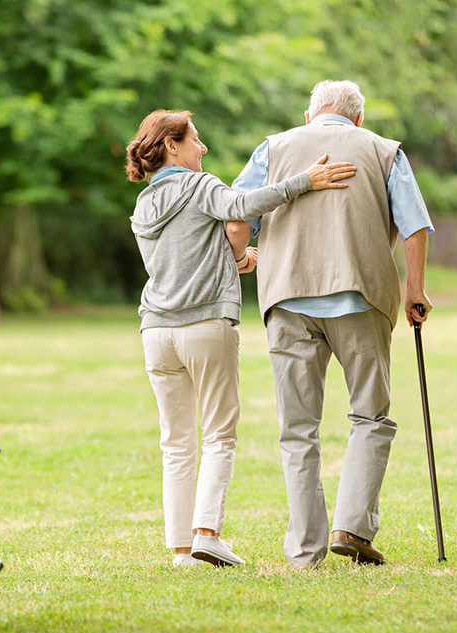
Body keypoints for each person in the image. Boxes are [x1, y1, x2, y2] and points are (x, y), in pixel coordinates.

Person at [125, 109, 356, 568]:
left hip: (156, 331)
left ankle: (181, 551)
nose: (203, 148)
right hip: (206, 325)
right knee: (218, 435)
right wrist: (304, 181)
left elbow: (181, 260)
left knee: (175, 442)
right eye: (195, 138)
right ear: (172, 145)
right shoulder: (201, 185)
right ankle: (207, 532)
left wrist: (233, 258)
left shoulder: (143, 205)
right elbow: (245, 207)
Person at [231, 80, 434, 567]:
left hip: (287, 300)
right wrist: (414, 290)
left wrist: (242, 257)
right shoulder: (385, 151)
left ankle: (305, 551)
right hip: (360, 298)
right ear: (358, 119)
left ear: (309, 117)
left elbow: (237, 220)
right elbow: (415, 226)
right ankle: (351, 529)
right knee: (370, 416)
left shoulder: (272, 148)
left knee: (297, 429)